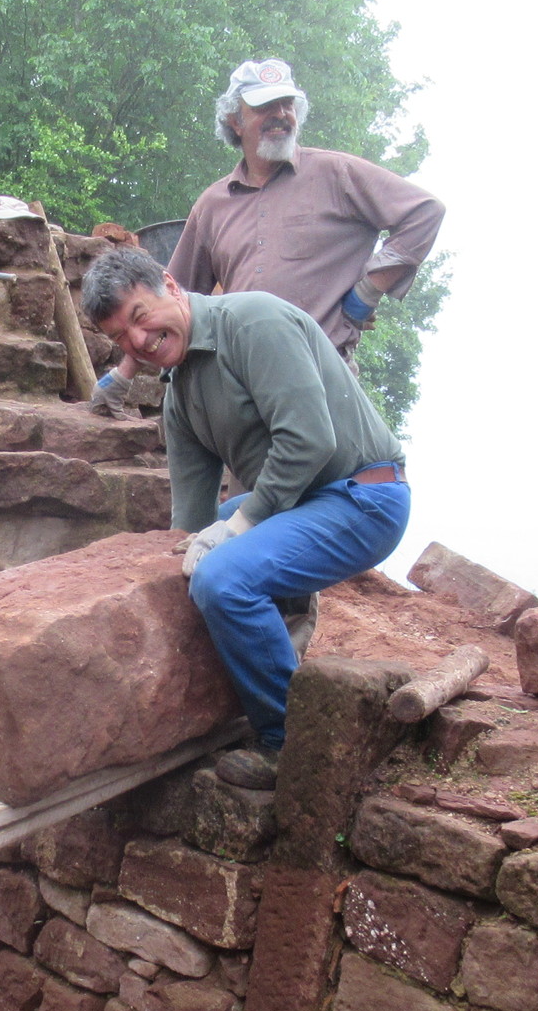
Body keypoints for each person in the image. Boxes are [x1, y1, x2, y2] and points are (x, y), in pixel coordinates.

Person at [78, 245, 411, 787]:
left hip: (363, 498)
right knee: (202, 550)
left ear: (170, 286)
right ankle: (268, 653)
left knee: (224, 577)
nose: (139, 340)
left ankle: (287, 744)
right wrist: (170, 561)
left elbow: (309, 441)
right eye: (121, 337)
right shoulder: (180, 395)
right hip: (305, 501)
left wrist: (239, 528)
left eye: (140, 316)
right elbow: (189, 516)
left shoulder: (253, 321)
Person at [164, 59, 446, 362]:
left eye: (288, 104)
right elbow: (176, 295)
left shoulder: (335, 173)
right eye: (265, 107)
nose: (280, 114)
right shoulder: (212, 204)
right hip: (242, 375)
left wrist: (366, 293)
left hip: (322, 366)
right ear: (235, 121)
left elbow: (425, 212)